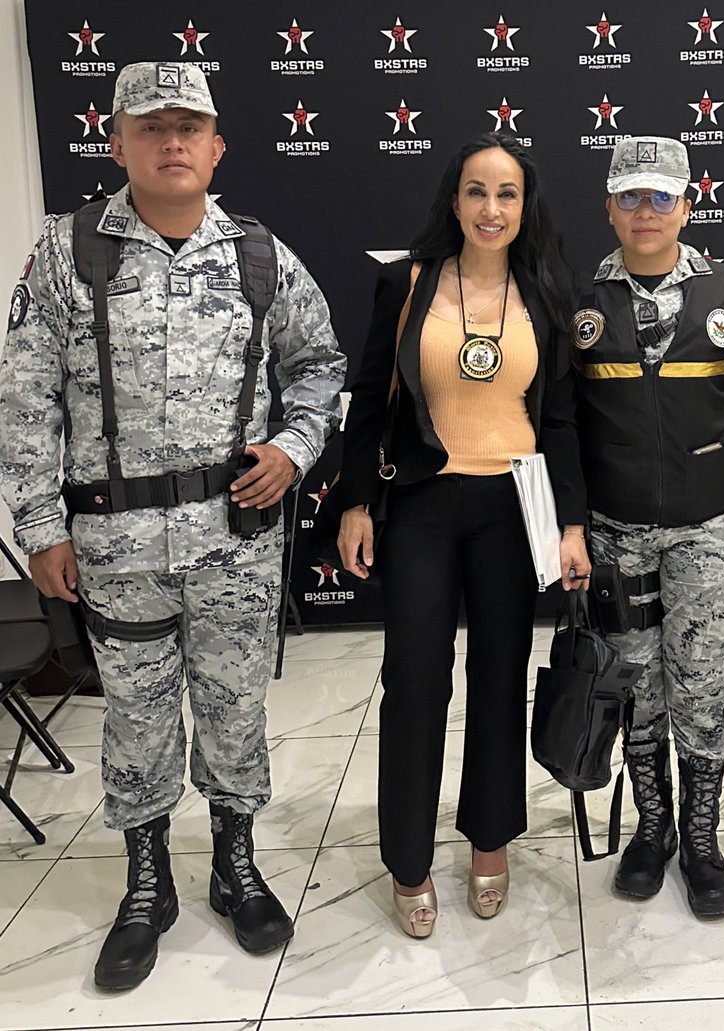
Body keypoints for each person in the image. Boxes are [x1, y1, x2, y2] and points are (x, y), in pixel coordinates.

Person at [0, 62, 346, 990]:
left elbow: (320, 366)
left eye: (190, 125)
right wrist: (40, 525)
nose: (173, 141)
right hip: (114, 546)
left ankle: (235, 863)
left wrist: (294, 447)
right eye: (151, 126)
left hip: (234, 539)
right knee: (138, 718)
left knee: (236, 706)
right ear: (116, 143)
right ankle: (145, 878)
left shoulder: (259, 255)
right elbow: (27, 397)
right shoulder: (68, 253)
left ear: (218, 144)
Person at [337, 132, 588, 939]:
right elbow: (369, 400)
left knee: (499, 676)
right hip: (422, 502)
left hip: (519, 502)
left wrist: (570, 525)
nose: (491, 208)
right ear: (454, 199)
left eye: (506, 194)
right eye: (477, 191)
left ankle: (489, 839)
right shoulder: (407, 284)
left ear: (525, 207)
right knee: (415, 681)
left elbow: (557, 420)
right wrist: (352, 503)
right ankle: (408, 858)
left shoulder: (545, 291)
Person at [572, 136, 724, 918]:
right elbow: (563, 422)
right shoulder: (581, 303)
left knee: (701, 685)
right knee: (637, 686)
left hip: (709, 529)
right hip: (616, 533)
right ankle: (652, 829)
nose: (646, 211)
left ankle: (700, 836)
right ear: (610, 208)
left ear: (689, 205)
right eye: (630, 196)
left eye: (662, 197)